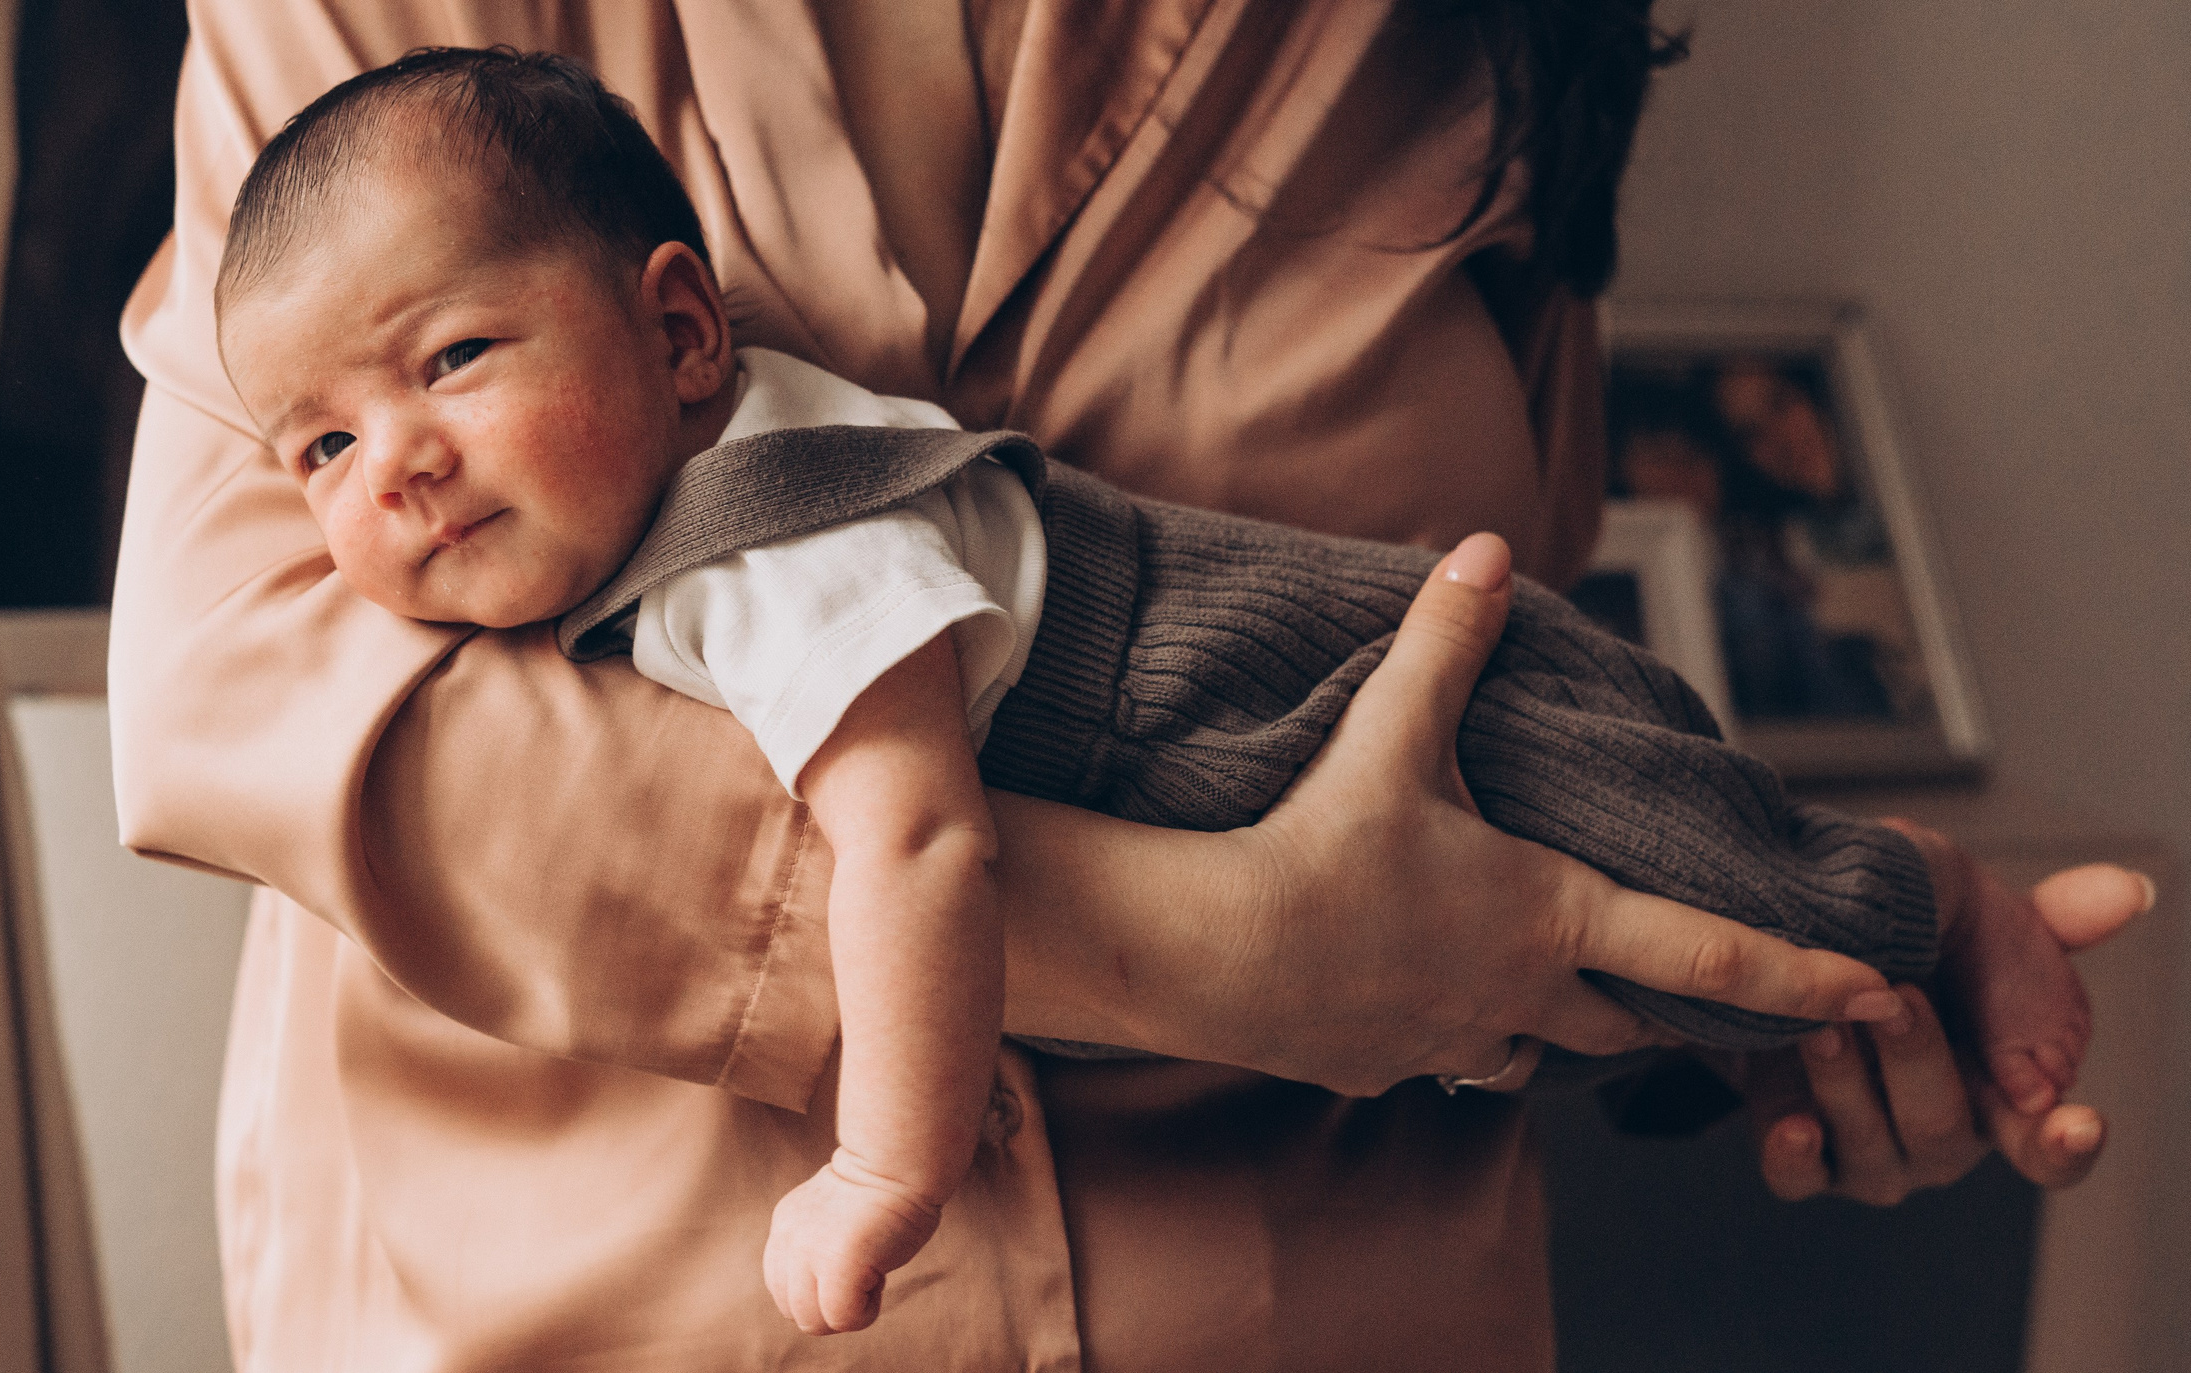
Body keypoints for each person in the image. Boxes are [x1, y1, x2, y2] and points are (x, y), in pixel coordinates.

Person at [112, 2, 2145, 1366]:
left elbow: (1492, 667)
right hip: (605, 1310)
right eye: (341, 436)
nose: (393, 456)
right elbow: (236, 675)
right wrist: (1223, 948)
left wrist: (1787, 986)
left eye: (457, 369)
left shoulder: (1465, 44)